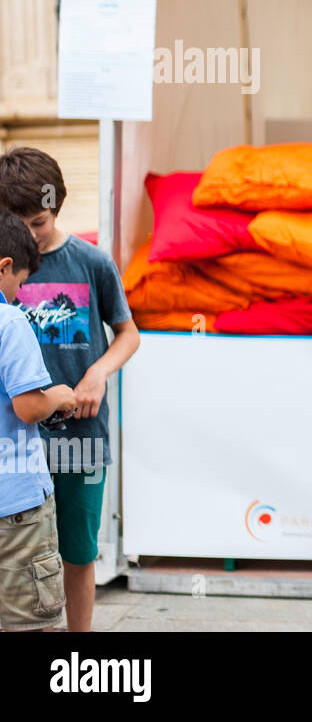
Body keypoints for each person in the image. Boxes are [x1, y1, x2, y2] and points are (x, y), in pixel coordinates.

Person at [0, 148, 139, 634]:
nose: (29, 236)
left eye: (38, 222)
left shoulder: (91, 262)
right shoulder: (5, 264)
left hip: (79, 438)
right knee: (19, 553)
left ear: (57, 206)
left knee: (77, 552)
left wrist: (99, 372)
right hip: (16, 446)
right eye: (17, 223)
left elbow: (128, 333)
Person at [0, 209, 77, 632]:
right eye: (20, 283)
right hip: (16, 511)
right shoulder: (10, 321)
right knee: (31, 622)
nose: (18, 293)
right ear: (5, 266)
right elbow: (28, 407)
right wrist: (59, 396)